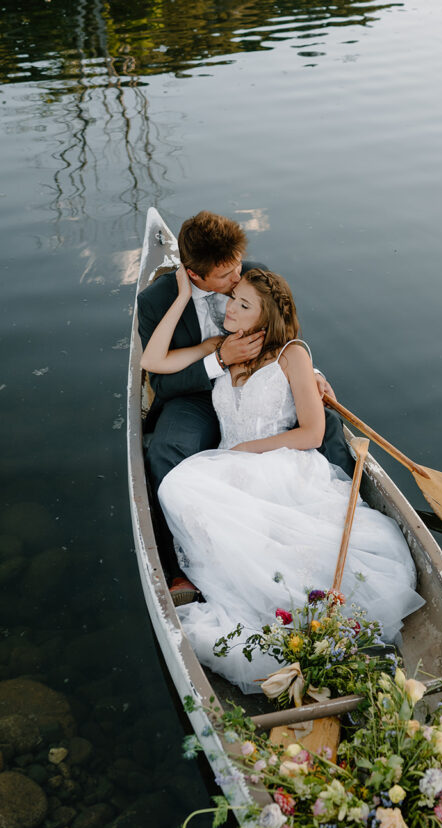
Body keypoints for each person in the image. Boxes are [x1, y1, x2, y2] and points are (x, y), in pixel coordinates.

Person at [142, 266, 424, 693]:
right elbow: (153, 362)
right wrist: (182, 297)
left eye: (241, 303)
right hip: (234, 462)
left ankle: (290, 601)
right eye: (230, 298)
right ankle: (236, 583)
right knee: (178, 485)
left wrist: (245, 451)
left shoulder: (293, 354)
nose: (228, 308)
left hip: (280, 463)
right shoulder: (224, 345)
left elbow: (311, 433)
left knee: (189, 486)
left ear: (266, 317)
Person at [137, 210, 354, 601]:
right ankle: (178, 569)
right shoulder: (156, 301)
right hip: (195, 393)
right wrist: (220, 361)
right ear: (194, 273)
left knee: (329, 425)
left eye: (238, 267)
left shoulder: (250, 276)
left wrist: (308, 373)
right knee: (167, 451)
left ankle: (342, 516)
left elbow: (280, 334)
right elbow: (160, 382)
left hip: (257, 382)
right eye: (225, 277)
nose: (237, 280)